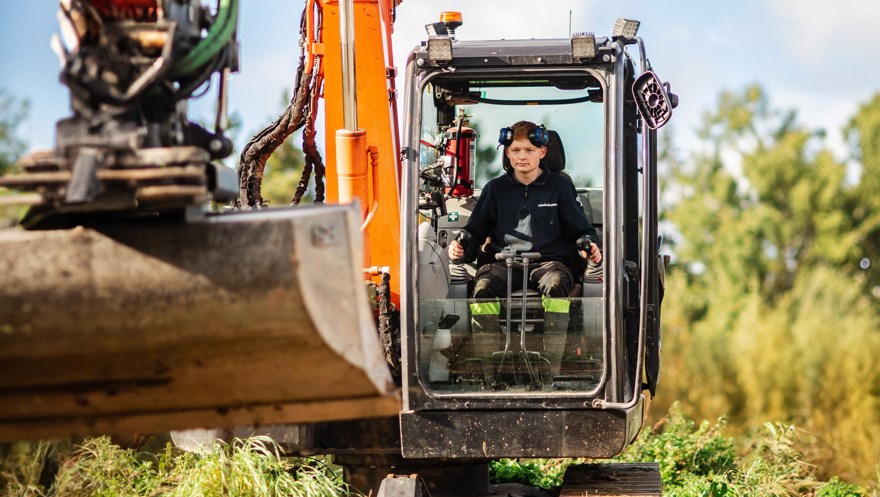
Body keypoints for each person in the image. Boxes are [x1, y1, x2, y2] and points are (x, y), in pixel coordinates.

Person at [447, 120, 601, 385]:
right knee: (482, 289)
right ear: (507, 153)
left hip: (549, 264)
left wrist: (589, 244)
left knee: (556, 286)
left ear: (542, 152)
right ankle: (490, 375)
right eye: (516, 150)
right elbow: (474, 231)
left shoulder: (561, 188)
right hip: (504, 264)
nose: (522, 156)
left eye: (529, 150)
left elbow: (581, 230)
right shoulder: (495, 190)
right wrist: (461, 247)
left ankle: (548, 372)